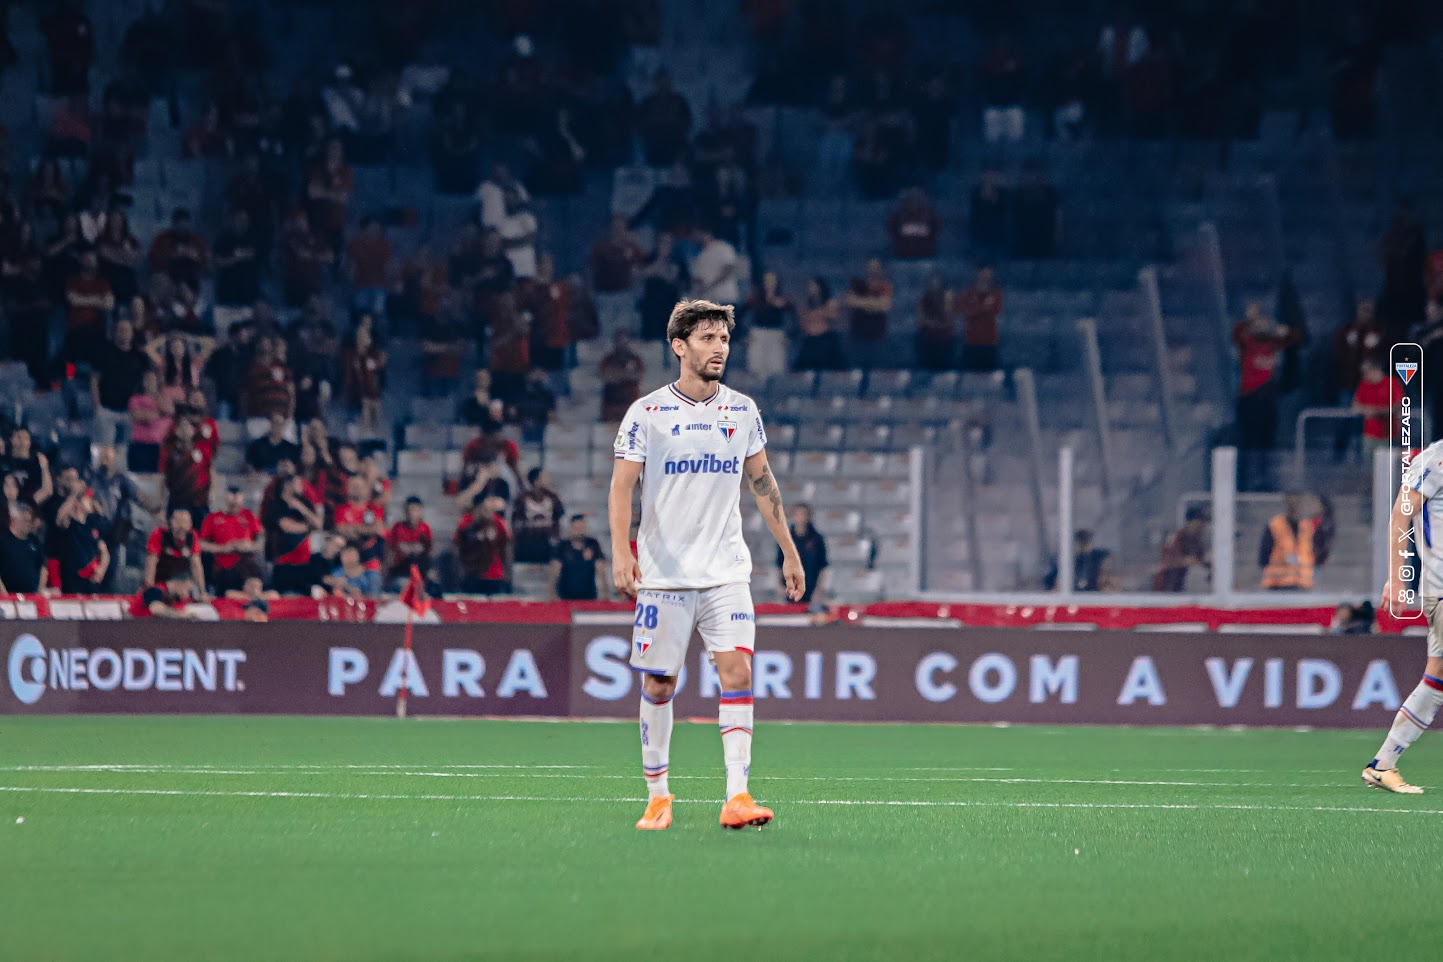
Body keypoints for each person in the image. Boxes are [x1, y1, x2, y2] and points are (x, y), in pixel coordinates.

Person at [610, 298, 805, 833]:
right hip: (665, 577)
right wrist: (621, 551)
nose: (719, 348)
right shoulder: (647, 413)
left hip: (725, 572)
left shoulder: (741, 410)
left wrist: (788, 549)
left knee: (737, 671)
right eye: (707, 338)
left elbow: (763, 483)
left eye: (723, 339)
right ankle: (658, 797)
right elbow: (622, 486)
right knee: (659, 684)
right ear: (679, 346)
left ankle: (737, 795)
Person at [1364, 437, 1443, 792]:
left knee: (1437, 678)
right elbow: (1401, 513)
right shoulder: (1435, 459)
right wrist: (1397, 577)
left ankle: (1383, 763)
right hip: (1440, 587)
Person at [90, 318, 149, 445]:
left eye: (127, 330)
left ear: (132, 333)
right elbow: (94, 380)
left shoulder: (140, 356)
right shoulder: (104, 353)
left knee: (124, 452)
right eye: (121, 330)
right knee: (104, 450)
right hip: (106, 410)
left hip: (131, 412)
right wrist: (97, 406)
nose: (124, 333)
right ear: (115, 333)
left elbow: (149, 381)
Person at [199, 486, 263, 595]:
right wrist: (223, 548)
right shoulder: (212, 518)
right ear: (225, 500)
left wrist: (249, 546)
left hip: (247, 566)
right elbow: (201, 544)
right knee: (229, 591)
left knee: (254, 580)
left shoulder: (249, 516)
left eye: (237, 504)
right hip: (224, 568)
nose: (235, 507)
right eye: (232, 504)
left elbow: (260, 542)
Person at [270, 474, 322, 595]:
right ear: (287, 485)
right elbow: (287, 527)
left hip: (304, 561)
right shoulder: (276, 505)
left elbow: (318, 524)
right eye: (298, 483)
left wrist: (302, 509)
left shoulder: (305, 503)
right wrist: (309, 527)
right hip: (284, 560)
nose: (302, 486)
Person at [55, 483, 109, 593]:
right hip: (72, 580)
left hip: (90, 579)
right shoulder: (70, 523)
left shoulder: (92, 525)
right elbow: (60, 518)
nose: (90, 501)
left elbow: (104, 552)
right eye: (87, 499)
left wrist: (101, 569)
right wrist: (75, 494)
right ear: (78, 503)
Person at [159, 417, 213, 527]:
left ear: (193, 430)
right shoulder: (168, 452)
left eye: (188, 427)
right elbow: (162, 478)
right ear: (176, 431)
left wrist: (212, 492)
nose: (185, 430)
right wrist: (161, 503)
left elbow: (210, 471)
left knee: (201, 536)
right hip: (177, 502)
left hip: (199, 502)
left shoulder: (203, 449)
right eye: (181, 427)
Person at [1259, 493, 1317, 591]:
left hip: (1303, 585)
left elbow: (1313, 555)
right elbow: (1263, 558)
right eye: (1292, 501)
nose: (1294, 505)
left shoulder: (1307, 527)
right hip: (1277, 586)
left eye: (1298, 502)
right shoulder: (1275, 525)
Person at [454, 494, 511, 594]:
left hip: (493, 574)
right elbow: (457, 544)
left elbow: (505, 545)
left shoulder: (498, 523)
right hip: (471, 573)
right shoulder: (465, 522)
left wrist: (505, 570)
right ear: (476, 508)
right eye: (483, 508)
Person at [744, 272, 793, 379]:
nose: (769, 283)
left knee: (776, 366)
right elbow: (741, 314)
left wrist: (789, 335)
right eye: (767, 280)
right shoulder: (754, 298)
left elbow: (793, 318)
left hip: (777, 333)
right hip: (758, 332)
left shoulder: (783, 299)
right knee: (756, 365)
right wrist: (745, 334)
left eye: (772, 280)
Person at [144, 508, 205, 594]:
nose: (182, 526)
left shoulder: (192, 537)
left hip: (182, 580)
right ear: (171, 522)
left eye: (185, 522)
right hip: (161, 581)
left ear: (190, 524)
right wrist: (150, 591)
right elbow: (151, 564)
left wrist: (202, 591)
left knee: (187, 590)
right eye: (178, 522)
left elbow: (197, 566)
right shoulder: (158, 534)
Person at [1152, 505, 1211, 592]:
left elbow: (1199, 560)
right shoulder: (1175, 537)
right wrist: (1184, 561)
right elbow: (1166, 560)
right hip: (1169, 587)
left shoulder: (1197, 541)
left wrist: (1205, 560)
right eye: (1200, 523)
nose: (1202, 527)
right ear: (1190, 522)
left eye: (1203, 524)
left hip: (1185, 586)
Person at [779, 504, 828, 605]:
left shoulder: (817, 539)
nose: (800, 517)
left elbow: (823, 567)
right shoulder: (785, 538)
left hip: (811, 589)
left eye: (803, 514)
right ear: (792, 517)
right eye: (797, 514)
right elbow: (779, 564)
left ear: (808, 517)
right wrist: (780, 587)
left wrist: (818, 591)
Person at [513, 468, 565, 565]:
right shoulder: (522, 499)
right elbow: (516, 524)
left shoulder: (554, 499)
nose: (548, 479)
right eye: (544, 477)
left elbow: (559, 520)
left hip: (548, 547)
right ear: (536, 481)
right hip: (527, 546)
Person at [957, 267, 1004, 372]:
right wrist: (983, 307)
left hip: (989, 342)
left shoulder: (997, 294)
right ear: (977, 274)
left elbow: (997, 310)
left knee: (989, 376)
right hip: (971, 341)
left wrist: (977, 309)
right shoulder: (968, 293)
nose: (985, 275)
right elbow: (965, 310)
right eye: (982, 272)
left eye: (988, 272)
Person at [551, 514, 607, 601]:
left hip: (589, 598)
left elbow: (601, 571)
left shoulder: (593, 544)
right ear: (570, 529)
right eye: (576, 528)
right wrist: (552, 595)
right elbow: (554, 572)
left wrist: (604, 596)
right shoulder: (562, 546)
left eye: (581, 528)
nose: (579, 531)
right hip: (565, 599)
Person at [795, 277, 846, 371]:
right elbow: (802, 326)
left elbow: (834, 318)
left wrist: (819, 306)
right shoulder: (805, 305)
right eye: (810, 287)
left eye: (814, 287)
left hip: (825, 340)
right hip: (810, 341)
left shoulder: (830, 303)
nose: (811, 290)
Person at [385, 497, 434, 593]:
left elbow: (429, 552)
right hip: (401, 570)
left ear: (421, 512)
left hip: (420, 571)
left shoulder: (425, 529)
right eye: (410, 510)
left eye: (415, 510)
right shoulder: (397, 527)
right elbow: (389, 550)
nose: (412, 513)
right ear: (405, 511)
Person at [0, 503, 47, 593]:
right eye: (25, 521)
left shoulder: (34, 541)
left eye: (30, 521)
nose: (28, 524)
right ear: (13, 521)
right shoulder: (3, 541)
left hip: (31, 597)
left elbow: (43, 568)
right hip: (9, 597)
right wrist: (4, 595)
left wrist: (39, 593)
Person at [599, 331, 644, 422]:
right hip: (611, 404)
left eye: (625, 341)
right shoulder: (608, 359)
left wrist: (618, 375)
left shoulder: (636, 359)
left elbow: (638, 376)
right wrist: (625, 375)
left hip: (630, 403)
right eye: (619, 341)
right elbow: (606, 377)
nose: (622, 344)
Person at [130, 571, 206, 619]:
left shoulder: (175, 599)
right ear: (178, 583)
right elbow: (156, 609)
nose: (187, 595)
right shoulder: (157, 590)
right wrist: (182, 617)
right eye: (188, 590)